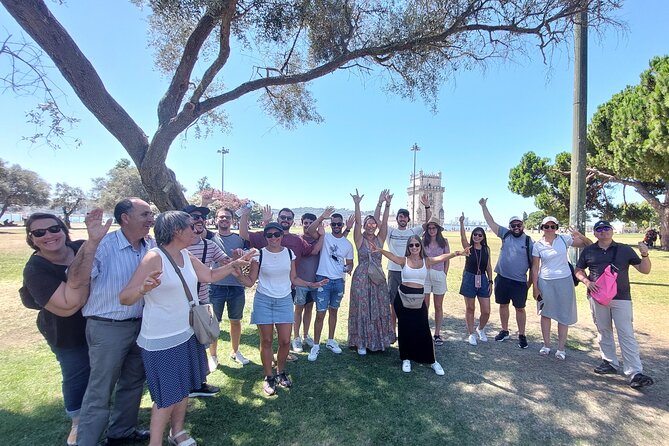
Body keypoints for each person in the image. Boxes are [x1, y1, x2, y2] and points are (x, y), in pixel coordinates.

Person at [119, 211, 253, 446]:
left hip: (187, 333)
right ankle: (156, 442)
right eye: (192, 226)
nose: (197, 229)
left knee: (184, 387)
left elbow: (210, 275)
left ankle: (177, 432)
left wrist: (234, 265)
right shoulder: (155, 257)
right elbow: (125, 297)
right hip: (161, 339)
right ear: (176, 231)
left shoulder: (186, 255)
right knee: (166, 396)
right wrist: (143, 288)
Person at [20, 209, 111, 446]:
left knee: (101, 373)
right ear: (31, 238)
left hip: (102, 324)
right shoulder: (36, 269)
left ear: (63, 229)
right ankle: (78, 422)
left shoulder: (81, 246)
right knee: (77, 374)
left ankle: (102, 416)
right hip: (66, 332)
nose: (48, 235)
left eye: (54, 228)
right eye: (39, 232)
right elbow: (69, 306)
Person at [77, 198, 155, 446]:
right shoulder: (103, 246)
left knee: (133, 382)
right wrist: (90, 244)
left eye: (151, 214)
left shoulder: (150, 246)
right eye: (145, 214)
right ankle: (87, 441)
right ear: (125, 218)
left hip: (142, 325)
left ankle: (121, 433)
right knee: (100, 388)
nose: (151, 219)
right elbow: (76, 277)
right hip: (108, 327)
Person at [237, 222, 328, 395]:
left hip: (285, 299)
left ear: (282, 236)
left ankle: (281, 372)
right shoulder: (259, 255)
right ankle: (269, 377)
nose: (273, 238)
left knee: (285, 341)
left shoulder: (289, 253)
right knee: (267, 341)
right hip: (263, 300)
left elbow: (294, 278)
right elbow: (250, 282)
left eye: (276, 234)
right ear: (265, 237)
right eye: (269, 235)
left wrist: (311, 284)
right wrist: (238, 274)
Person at [574, 220, 654, 389]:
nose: (603, 231)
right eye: (599, 229)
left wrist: (645, 255)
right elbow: (578, 270)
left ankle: (634, 372)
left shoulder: (624, 249)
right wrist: (587, 282)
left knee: (626, 333)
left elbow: (644, 270)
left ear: (612, 231)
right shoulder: (589, 250)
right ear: (595, 234)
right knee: (603, 330)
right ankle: (610, 362)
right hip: (596, 297)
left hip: (621, 297)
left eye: (606, 228)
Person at [372, 236, 467, 374]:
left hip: (418, 300)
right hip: (402, 299)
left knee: (424, 329)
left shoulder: (426, 261)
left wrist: (457, 253)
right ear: (408, 247)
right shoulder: (403, 260)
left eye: (417, 245)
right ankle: (406, 358)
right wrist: (380, 249)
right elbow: (391, 256)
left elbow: (442, 257)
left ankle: (433, 361)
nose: (414, 247)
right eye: (411, 245)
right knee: (404, 329)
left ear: (421, 246)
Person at [183, 205, 227, 398]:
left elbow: (225, 261)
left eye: (201, 217)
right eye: (194, 217)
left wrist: (239, 259)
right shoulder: (176, 246)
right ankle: (184, 383)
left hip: (200, 302)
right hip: (179, 305)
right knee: (181, 345)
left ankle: (199, 382)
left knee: (200, 342)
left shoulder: (209, 245)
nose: (199, 220)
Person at [531, 217, 591, 360]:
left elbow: (589, 244)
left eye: (553, 226)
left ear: (556, 227)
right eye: (546, 226)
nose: (550, 229)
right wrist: (535, 286)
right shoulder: (538, 245)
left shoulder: (564, 239)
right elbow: (535, 267)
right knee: (545, 314)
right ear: (542, 227)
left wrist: (579, 235)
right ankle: (546, 345)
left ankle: (561, 349)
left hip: (564, 280)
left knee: (563, 315)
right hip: (545, 281)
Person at [479, 198, 533, 349]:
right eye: (513, 225)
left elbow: (534, 264)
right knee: (503, 305)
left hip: (519, 282)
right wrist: (484, 206)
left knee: (520, 308)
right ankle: (504, 330)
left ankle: (522, 334)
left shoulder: (529, 241)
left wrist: (530, 283)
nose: (516, 227)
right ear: (510, 226)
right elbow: (491, 222)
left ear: (523, 226)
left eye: (519, 225)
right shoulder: (505, 234)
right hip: (502, 279)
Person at [348, 189, 395, 355]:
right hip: (361, 277)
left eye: (373, 223)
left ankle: (379, 340)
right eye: (368, 223)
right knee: (362, 309)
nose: (370, 225)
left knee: (379, 308)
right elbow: (358, 223)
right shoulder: (359, 239)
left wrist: (385, 204)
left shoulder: (379, 238)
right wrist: (357, 204)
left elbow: (383, 223)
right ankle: (361, 342)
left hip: (377, 279)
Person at [305, 208, 355, 362]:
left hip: (339, 282)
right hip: (323, 280)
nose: (336, 226)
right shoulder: (324, 238)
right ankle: (316, 344)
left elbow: (350, 264)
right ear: (330, 224)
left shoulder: (347, 244)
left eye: (339, 224)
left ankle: (331, 340)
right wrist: (321, 217)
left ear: (342, 224)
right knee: (320, 313)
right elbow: (310, 229)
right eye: (333, 224)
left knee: (334, 311)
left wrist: (346, 269)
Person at [208, 207, 253, 368]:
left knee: (236, 321)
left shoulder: (239, 239)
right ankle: (213, 356)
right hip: (216, 286)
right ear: (215, 219)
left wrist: (242, 254)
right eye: (221, 217)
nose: (224, 220)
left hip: (236, 286)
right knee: (214, 323)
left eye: (227, 217)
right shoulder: (210, 238)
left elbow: (248, 258)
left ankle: (235, 351)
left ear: (232, 220)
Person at [385, 193, 432, 335]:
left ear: (408, 219)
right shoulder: (390, 231)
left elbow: (427, 222)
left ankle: (409, 331)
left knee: (410, 303)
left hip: (410, 272)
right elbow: (381, 221)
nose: (402, 218)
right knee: (393, 302)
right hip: (394, 271)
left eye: (405, 216)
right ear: (397, 219)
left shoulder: (413, 231)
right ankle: (393, 331)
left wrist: (427, 206)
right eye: (400, 216)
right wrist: (386, 203)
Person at [292, 213, 325, 353]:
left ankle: (306, 335)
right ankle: (296, 338)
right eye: (306, 223)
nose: (308, 225)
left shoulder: (320, 240)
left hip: (315, 282)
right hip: (300, 281)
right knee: (298, 309)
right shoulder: (298, 240)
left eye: (311, 223)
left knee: (309, 308)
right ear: (301, 223)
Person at [458, 214, 492, 346]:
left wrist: (490, 281)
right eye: (475, 234)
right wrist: (461, 223)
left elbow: (489, 266)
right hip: (469, 277)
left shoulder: (486, 249)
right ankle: (471, 333)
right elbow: (462, 238)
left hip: (482, 279)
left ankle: (480, 329)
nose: (476, 237)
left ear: (483, 237)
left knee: (486, 311)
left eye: (479, 235)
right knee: (470, 308)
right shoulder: (468, 248)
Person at [422, 215, 451, 346]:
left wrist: (444, 273)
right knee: (425, 306)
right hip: (425, 275)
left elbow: (447, 258)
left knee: (438, 306)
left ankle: (437, 333)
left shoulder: (444, 242)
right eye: (430, 228)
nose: (432, 230)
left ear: (438, 229)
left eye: (434, 227)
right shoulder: (423, 241)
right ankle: (424, 331)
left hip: (439, 275)